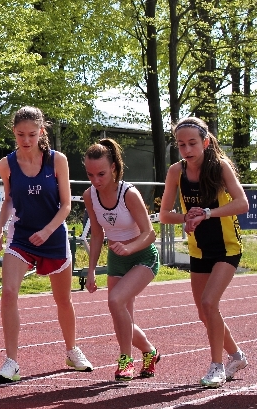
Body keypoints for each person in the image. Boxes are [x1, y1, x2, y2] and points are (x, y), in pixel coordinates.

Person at [0, 106, 93, 383]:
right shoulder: (6, 164)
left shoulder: (57, 160)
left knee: (63, 300)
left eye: (32, 134)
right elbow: (9, 199)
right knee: (9, 292)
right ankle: (11, 361)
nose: (26, 140)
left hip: (53, 235)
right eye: (21, 134)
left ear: (41, 132)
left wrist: (48, 231)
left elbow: (67, 204)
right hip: (22, 236)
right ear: (14, 132)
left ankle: (72, 350)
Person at [159, 116, 249, 387]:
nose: (187, 149)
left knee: (210, 303)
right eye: (181, 144)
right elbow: (164, 215)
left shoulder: (220, 167)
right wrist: (186, 218)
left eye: (192, 143)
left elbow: (242, 204)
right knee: (203, 311)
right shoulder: (176, 171)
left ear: (205, 142)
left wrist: (208, 213)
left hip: (227, 247)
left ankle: (217, 366)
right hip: (199, 248)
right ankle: (236, 355)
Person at [82, 139, 161, 382]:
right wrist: (92, 270)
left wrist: (130, 248)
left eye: (101, 174)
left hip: (142, 256)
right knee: (121, 314)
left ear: (114, 167)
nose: (96, 180)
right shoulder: (90, 195)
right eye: (90, 174)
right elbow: (97, 234)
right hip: (117, 259)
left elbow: (150, 233)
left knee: (115, 302)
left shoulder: (129, 193)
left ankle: (125, 359)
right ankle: (149, 351)